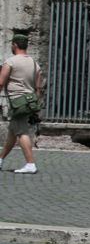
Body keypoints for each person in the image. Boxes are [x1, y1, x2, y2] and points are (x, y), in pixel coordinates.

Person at [0, 33, 44, 174]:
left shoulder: (10, 62)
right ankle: (0, 159)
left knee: (22, 132)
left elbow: (1, 82)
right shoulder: (34, 63)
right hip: (30, 102)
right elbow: (38, 87)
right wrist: (36, 106)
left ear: (15, 45)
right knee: (13, 132)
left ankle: (30, 164)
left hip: (17, 102)